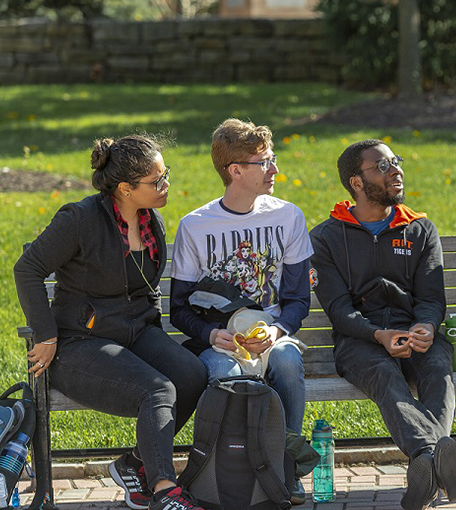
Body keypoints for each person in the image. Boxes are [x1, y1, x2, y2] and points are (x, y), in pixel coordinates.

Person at [14, 136, 209, 510]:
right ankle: (165, 491)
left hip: (135, 333)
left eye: (166, 174)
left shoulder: (154, 223)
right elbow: (28, 269)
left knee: (191, 375)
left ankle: (133, 464)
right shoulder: (80, 219)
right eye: (157, 180)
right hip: (78, 344)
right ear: (125, 188)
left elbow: (146, 288)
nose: (166, 184)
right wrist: (46, 334)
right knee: (157, 390)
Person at [309, 139, 456, 510]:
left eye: (396, 161)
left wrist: (427, 326)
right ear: (357, 183)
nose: (395, 170)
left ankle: (425, 468)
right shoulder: (327, 237)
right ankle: (435, 458)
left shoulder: (420, 229)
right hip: (359, 338)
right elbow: (337, 308)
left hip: (414, 332)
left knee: (437, 368)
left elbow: (431, 297)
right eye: (382, 166)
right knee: (383, 373)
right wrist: (377, 334)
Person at [169, 119, 312, 505]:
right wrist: (210, 336)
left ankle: (288, 467)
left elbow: (299, 300)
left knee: (285, 362)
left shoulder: (288, 216)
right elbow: (179, 310)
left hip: (273, 336)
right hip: (220, 343)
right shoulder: (195, 226)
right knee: (227, 375)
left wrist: (279, 331)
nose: (275, 170)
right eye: (264, 162)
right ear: (235, 171)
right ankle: (228, 474)